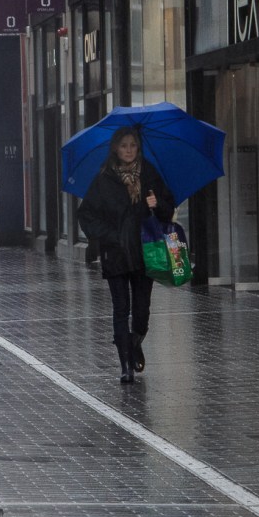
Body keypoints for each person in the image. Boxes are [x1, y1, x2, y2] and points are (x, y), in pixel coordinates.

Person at [77, 127, 175, 384]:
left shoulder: (150, 174)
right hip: (117, 253)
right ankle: (125, 366)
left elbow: (168, 208)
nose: (129, 150)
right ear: (116, 149)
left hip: (146, 251)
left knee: (142, 310)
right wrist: (110, 235)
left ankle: (135, 341)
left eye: (132, 145)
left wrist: (158, 205)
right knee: (121, 308)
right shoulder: (103, 179)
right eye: (124, 146)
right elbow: (86, 215)